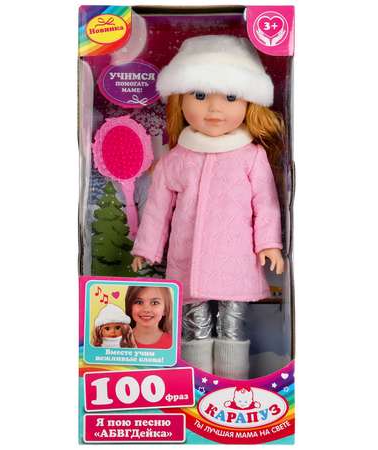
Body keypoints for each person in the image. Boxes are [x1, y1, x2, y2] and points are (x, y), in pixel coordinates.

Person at [131, 35, 284, 379]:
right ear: (180, 100)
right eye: (200, 96)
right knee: (194, 325)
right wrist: (147, 247)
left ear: (249, 102)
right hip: (188, 261)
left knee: (233, 324)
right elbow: (157, 208)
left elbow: (266, 204)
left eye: (230, 97)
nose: (214, 109)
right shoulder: (178, 158)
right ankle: (197, 385)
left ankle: (232, 386)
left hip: (236, 260)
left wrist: (269, 244)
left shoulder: (251, 156)